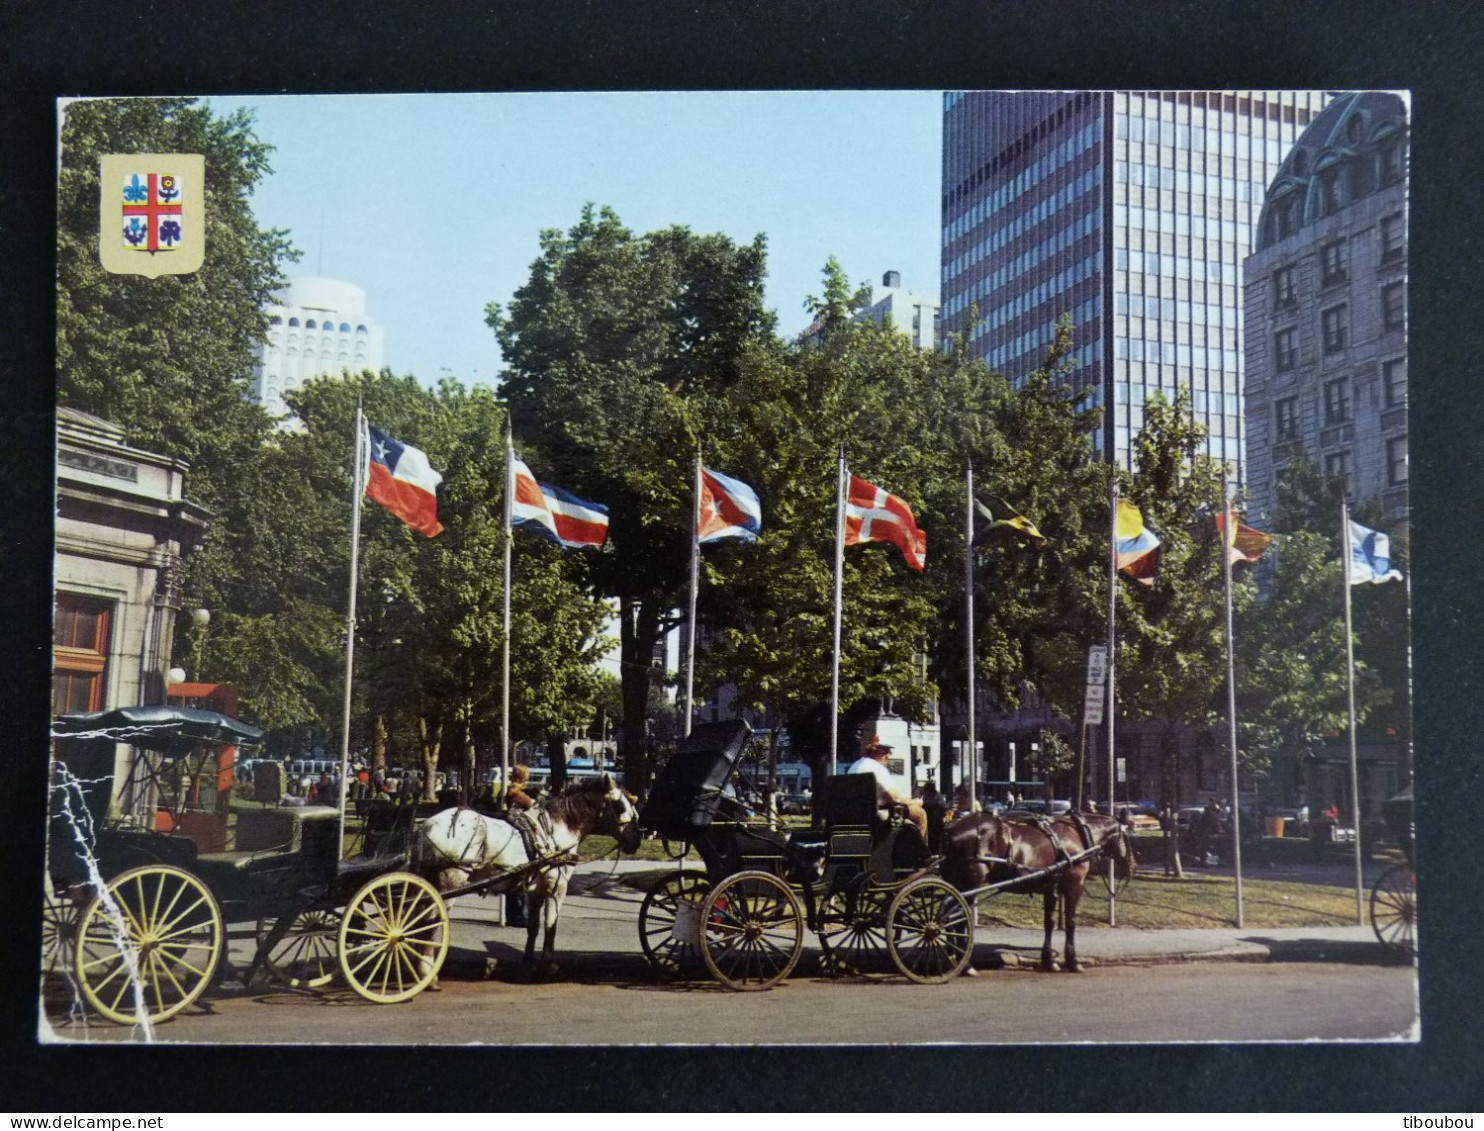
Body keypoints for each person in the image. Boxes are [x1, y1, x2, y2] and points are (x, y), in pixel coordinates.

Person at [844, 741, 928, 841]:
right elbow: (894, 798)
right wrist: (915, 802)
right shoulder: (877, 768)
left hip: (855, 814)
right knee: (919, 813)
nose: (889, 755)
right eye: (885, 752)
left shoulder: (854, 766)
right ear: (874, 752)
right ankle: (918, 854)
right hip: (876, 814)